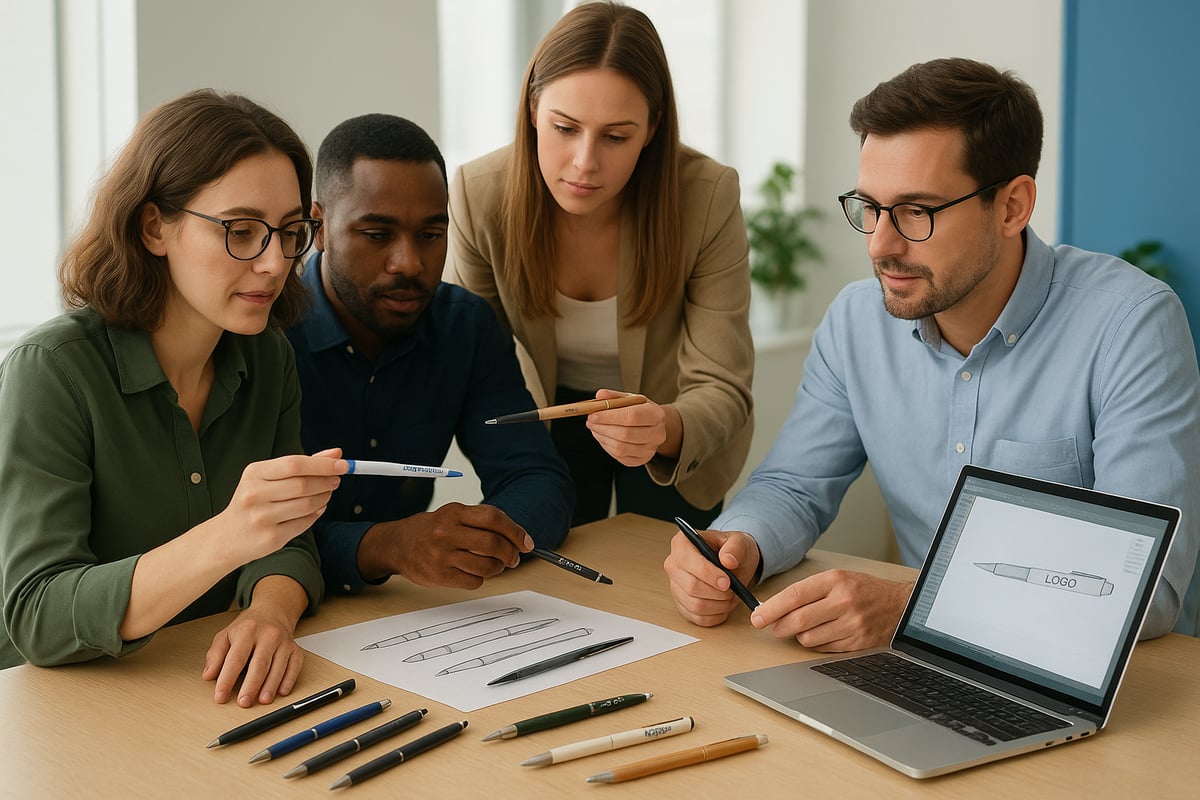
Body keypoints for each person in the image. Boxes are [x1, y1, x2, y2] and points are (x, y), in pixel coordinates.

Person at [664, 57, 1200, 649]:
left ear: (1012, 207)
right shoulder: (855, 321)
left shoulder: (1130, 324)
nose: (881, 244)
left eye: (917, 211)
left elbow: (1147, 591)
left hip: (1099, 680)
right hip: (926, 668)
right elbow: (793, 485)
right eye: (869, 207)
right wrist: (738, 545)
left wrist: (912, 607)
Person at [0, 90, 347, 706]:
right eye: (241, 231)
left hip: (200, 691)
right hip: (58, 711)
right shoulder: (53, 373)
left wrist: (269, 611)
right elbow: (36, 615)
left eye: (292, 233)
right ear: (154, 225)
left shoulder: (268, 357)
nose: (273, 263)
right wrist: (231, 536)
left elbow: (289, 538)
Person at [446, 1, 754, 529]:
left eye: (616, 137)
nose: (585, 162)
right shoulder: (479, 194)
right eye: (564, 128)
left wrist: (664, 427)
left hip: (672, 423)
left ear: (653, 128)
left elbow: (722, 382)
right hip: (543, 419)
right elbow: (473, 357)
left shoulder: (705, 196)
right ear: (531, 110)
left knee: (668, 594)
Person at [286, 113, 574, 596]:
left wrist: (476, 539)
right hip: (277, 614)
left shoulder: (466, 327)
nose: (410, 263)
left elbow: (538, 478)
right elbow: (248, 532)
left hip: (411, 611)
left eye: (430, 234)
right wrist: (385, 545)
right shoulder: (267, 336)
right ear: (318, 226)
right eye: (377, 235)